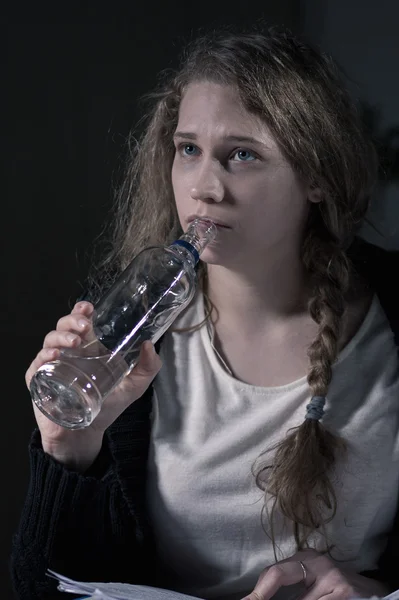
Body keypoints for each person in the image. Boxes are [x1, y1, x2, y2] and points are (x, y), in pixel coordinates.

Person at [10, 25, 399, 600]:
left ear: (316, 175)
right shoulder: (126, 330)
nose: (204, 188)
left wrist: (369, 589)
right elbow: (42, 586)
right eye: (188, 150)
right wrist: (72, 449)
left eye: (241, 155)